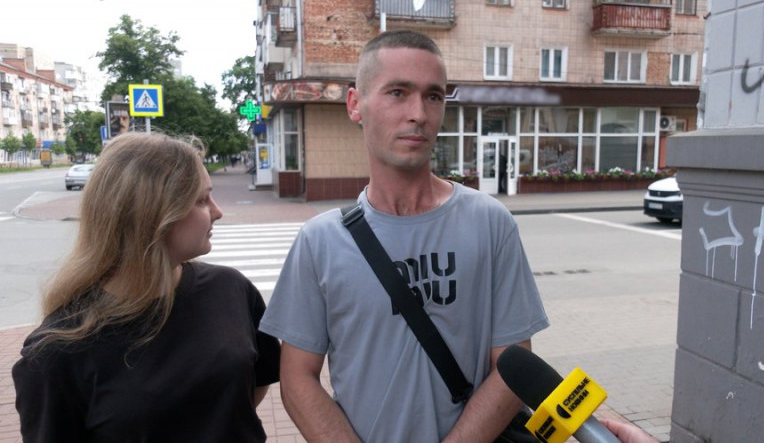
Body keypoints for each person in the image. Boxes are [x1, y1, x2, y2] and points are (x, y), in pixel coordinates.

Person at [259, 30, 549, 442]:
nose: (419, 113)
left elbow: (513, 364)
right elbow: (297, 379)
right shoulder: (320, 242)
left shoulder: (490, 222)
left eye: (433, 96)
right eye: (398, 92)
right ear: (355, 104)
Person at [12, 132, 280, 442]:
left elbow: (254, 383)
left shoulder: (231, 289)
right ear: (152, 214)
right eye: (201, 200)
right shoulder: (56, 352)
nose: (217, 212)